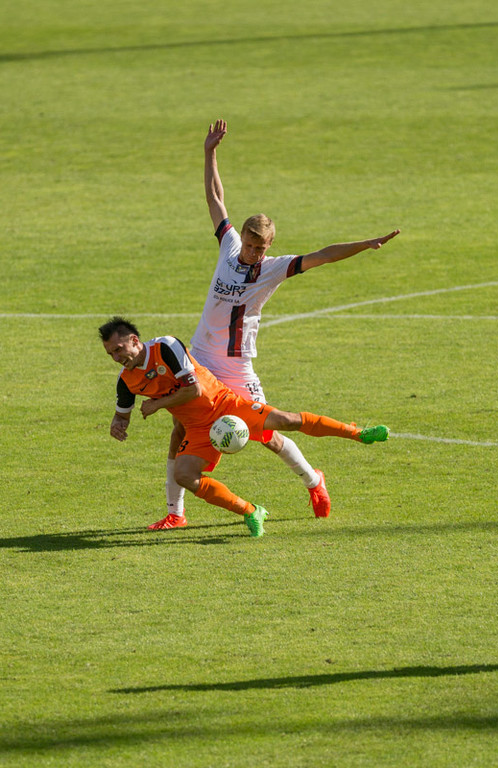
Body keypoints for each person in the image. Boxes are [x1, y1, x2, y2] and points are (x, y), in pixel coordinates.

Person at [150, 118, 400, 530]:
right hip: (200, 357)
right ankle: (175, 513)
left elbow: (324, 254)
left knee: (268, 434)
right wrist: (210, 152)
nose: (251, 251)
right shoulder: (229, 246)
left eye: (259, 247)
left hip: (237, 364)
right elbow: (215, 197)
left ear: (269, 246)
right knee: (180, 427)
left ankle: (312, 478)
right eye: (249, 243)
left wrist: (365, 244)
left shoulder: (275, 268)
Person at [99, 317, 391, 538]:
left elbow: (194, 390)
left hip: (227, 406)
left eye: (119, 349)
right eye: (111, 353)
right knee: (185, 475)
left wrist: (157, 404)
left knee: (285, 422)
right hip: (198, 428)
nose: (116, 357)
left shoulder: (166, 347)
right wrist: (117, 425)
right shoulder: (126, 380)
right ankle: (251, 510)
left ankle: (357, 433)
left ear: (135, 340)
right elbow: (122, 414)